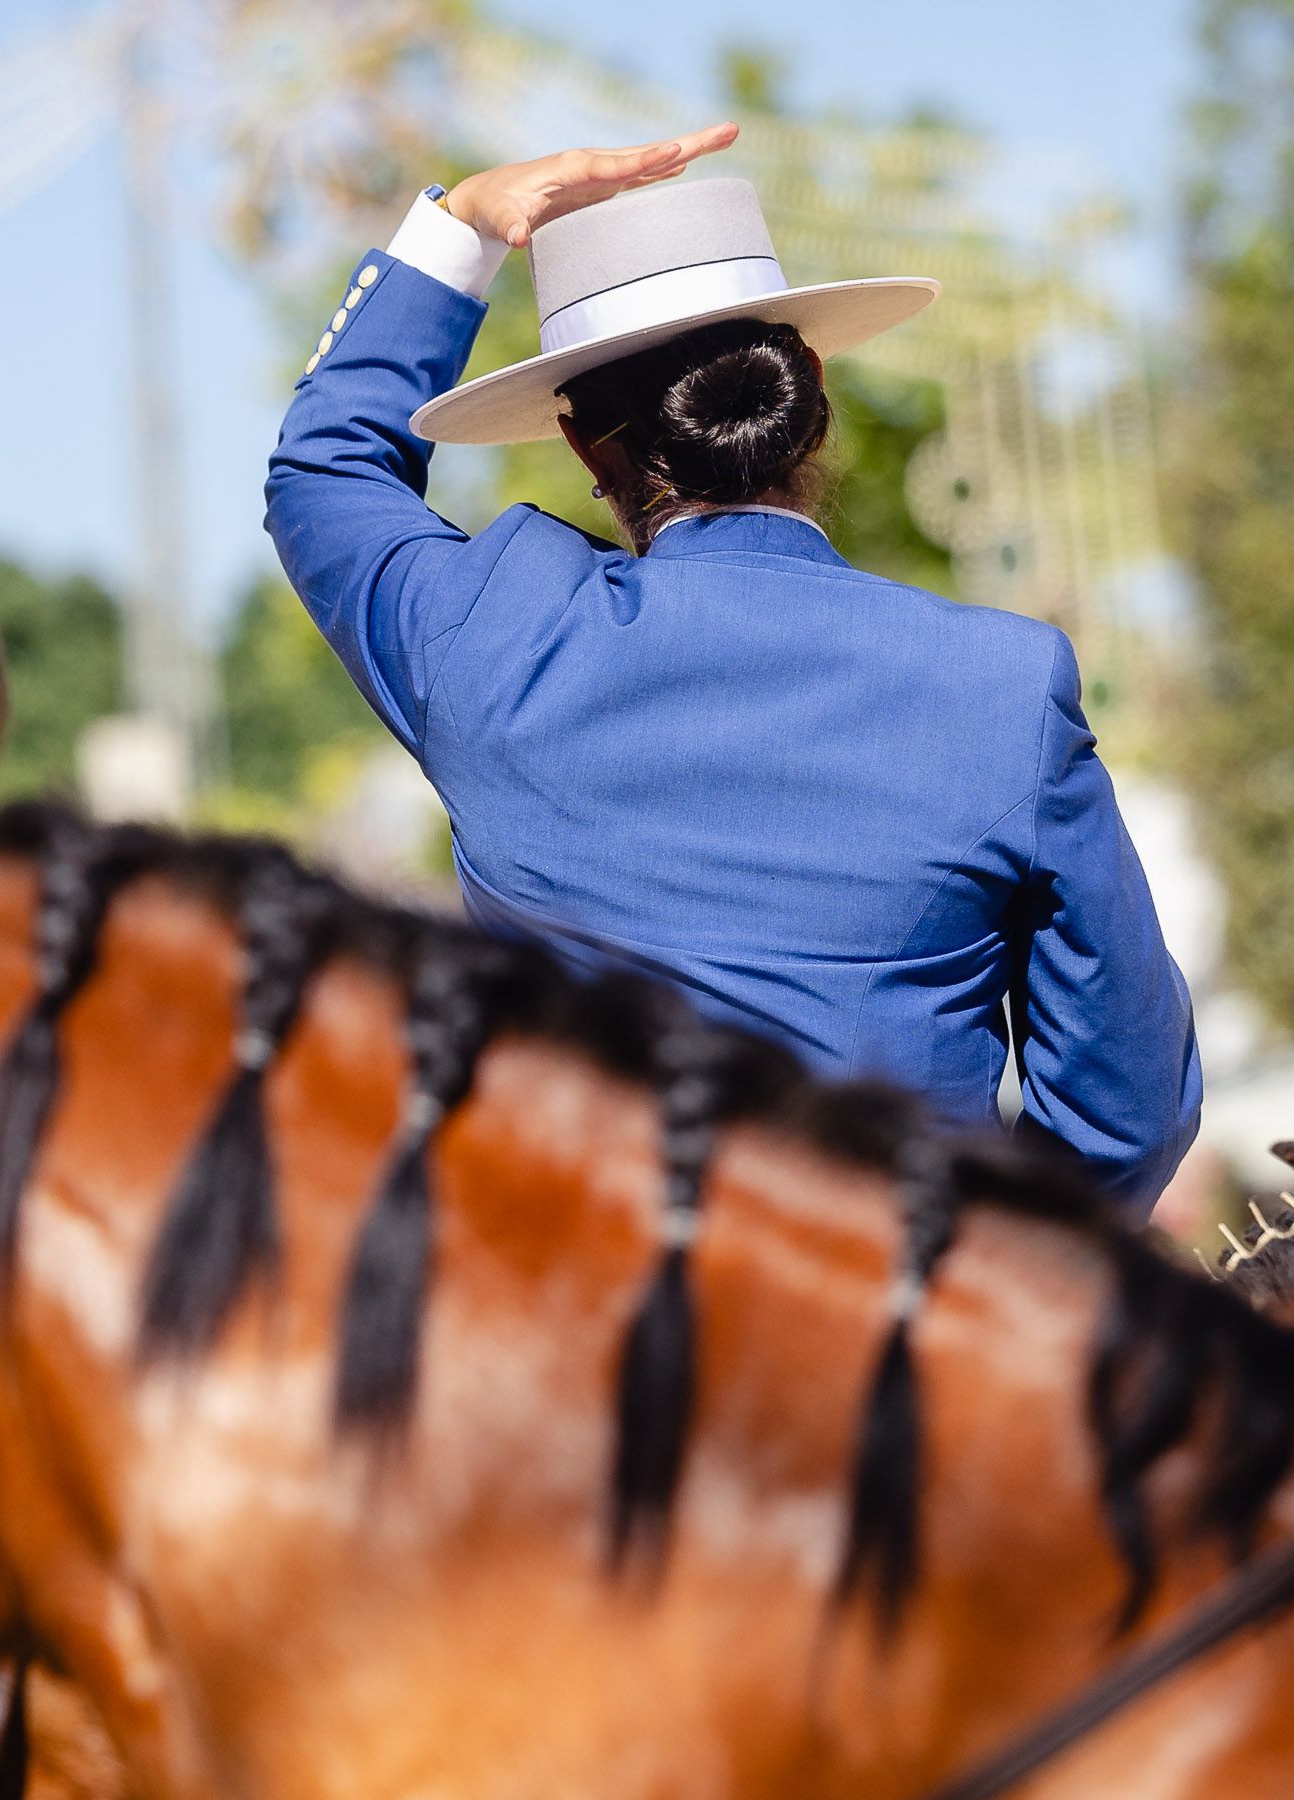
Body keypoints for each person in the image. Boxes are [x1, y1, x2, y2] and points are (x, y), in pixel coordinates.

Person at [264, 130, 1201, 1208]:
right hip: (897, 1299)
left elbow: (324, 471)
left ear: (586, 447)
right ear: (812, 391)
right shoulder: (1003, 686)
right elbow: (1130, 1108)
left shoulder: (492, 640)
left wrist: (464, 228)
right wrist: (977, 1273)